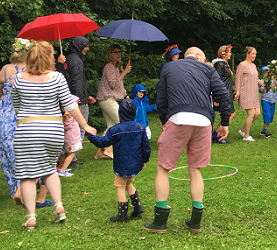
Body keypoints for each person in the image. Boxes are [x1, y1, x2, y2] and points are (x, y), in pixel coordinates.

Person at [143, 47, 231, 234]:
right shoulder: (207, 69)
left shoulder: (168, 68)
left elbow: (161, 99)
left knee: (163, 168)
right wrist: (224, 123)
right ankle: (195, 222)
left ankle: (160, 222)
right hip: (204, 121)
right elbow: (223, 94)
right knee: (195, 169)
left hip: (178, 119)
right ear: (198, 57)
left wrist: (165, 121)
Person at [12, 41, 96, 231]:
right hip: (52, 129)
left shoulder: (19, 79)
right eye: (51, 55)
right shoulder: (57, 77)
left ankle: (31, 217)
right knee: (50, 169)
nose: (53, 58)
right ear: (45, 57)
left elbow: (16, 106)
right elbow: (70, 103)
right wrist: (85, 125)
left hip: (26, 128)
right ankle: (59, 207)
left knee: (27, 175)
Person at [88, 99, 150, 222]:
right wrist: (144, 160)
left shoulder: (114, 130)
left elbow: (102, 142)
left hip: (122, 165)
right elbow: (146, 147)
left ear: (120, 112)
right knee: (128, 183)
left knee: (120, 186)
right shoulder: (141, 127)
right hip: (135, 164)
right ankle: (137, 208)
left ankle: (122, 216)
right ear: (134, 112)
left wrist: (91, 136)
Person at [0, 38, 33, 204]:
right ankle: (24, 188)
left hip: (4, 113)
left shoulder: (4, 70)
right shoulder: (31, 71)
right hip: (22, 112)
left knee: (6, 150)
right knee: (25, 149)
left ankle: (15, 189)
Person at [96, 44, 131, 159]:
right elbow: (113, 84)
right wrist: (125, 72)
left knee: (111, 126)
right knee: (121, 122)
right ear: (109, 54)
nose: (118, 54)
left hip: (107, 99)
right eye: (115, 52)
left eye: (119, 52)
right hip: (107, 99)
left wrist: (125, 95)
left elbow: (119, 85)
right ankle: (109, 150)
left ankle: (99, 152)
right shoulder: (109, 67)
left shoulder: (115, 68)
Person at [66, 36, 97, 167]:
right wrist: (79, 100)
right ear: (80, 46)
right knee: (79, 128)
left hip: (70, 97)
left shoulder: (68, 59)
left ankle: (67, 156)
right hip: (77, 100)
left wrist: (87, 94)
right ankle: (73, 159)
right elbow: (77, 82)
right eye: (86, 46)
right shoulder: (77, 61)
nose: (87, 49)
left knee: (70, 128)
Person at [234, 46, 262, 141]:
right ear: (248, 54)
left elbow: (254, 78)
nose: (255, 55)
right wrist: (237, 91)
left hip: (254, 93)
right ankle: (246, 136)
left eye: (255, 54)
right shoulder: (242, 65)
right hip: (246, 92)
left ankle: (242, 130)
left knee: (257, 113)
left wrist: (263, 83)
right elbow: (238, 79)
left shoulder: (253, 66)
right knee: (251, 113)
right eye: (253, 53)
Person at [212, 45, 235, 144]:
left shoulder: (225, 64)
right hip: (223, 94)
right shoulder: (219, 65)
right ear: (223, 53)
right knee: (229, 114)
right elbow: (217, 80)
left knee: (231, 114)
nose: (230, 54)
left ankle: (216, 134)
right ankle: (218, 135)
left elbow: (227, 81)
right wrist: (216, 98)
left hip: (227, 93)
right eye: (229, 52)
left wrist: (233, 92)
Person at [57, 95, 82, 177]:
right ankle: (63, 170)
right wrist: (67, 120)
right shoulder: (68, 114)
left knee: (66, 153)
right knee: (72, 154)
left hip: (71, 137)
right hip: (71, 138)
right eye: (77, 103)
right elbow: (67, 126)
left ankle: (60, 168)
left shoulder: (68, 112)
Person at [259, 66, 277, 138]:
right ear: (263, 74)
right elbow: (260, 90)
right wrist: (265, 87)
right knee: (267, 114)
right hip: (265, 100)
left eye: (268, 72)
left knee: (271, 115)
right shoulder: (262, 81)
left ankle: (264, 130)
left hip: (273, 100)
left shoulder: (273, 81)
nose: (267, 74)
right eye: (265, 72)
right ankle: (265, 130)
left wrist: (273, 80)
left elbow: (276, 87)